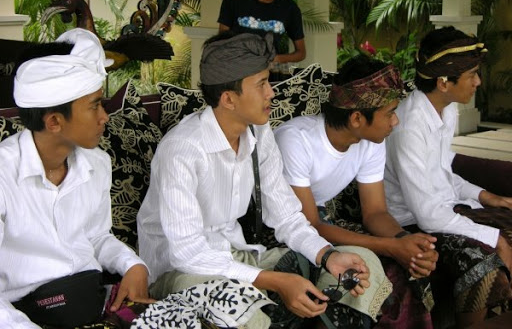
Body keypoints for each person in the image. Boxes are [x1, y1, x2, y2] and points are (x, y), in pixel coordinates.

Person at [137, 32, 393, 328]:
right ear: (229, 98)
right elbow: (188, 254)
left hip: (240, 257)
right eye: (261, 84)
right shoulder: (182, 150)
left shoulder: (259, 132)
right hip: (181, 272)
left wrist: (327, 255)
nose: (271, 93)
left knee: (359, 263)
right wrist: (276, 281)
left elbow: (286, 216)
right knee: (237, 307)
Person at [0, 28, 153, 328]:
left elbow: (96, 236)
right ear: (55, 121)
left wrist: (132, 265)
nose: (104, 116)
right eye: (95, 105)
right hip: (26, 315)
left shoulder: (96, 163)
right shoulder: (4, 174)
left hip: (91, 302)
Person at [274, 54, 439, 328]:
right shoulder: (296, 141)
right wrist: (391, 246)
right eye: (389, 113)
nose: (395, 122)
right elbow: (309, 223)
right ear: (357, 118)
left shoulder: (371, 141)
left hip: (320, 220)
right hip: (282, 225)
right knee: (365, 268)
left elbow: (375, 212)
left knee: (410, 265)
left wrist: (407, 242)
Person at [384, 26, 512, 327]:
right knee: (485, 263)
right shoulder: (410, 125)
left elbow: (442, 172)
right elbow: (428, 215)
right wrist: (495, 238)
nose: (478, 82)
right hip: (412, 219)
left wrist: (487, 197)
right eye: (472, 76)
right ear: (444, 82)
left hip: (443, 207)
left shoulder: (446, 109)